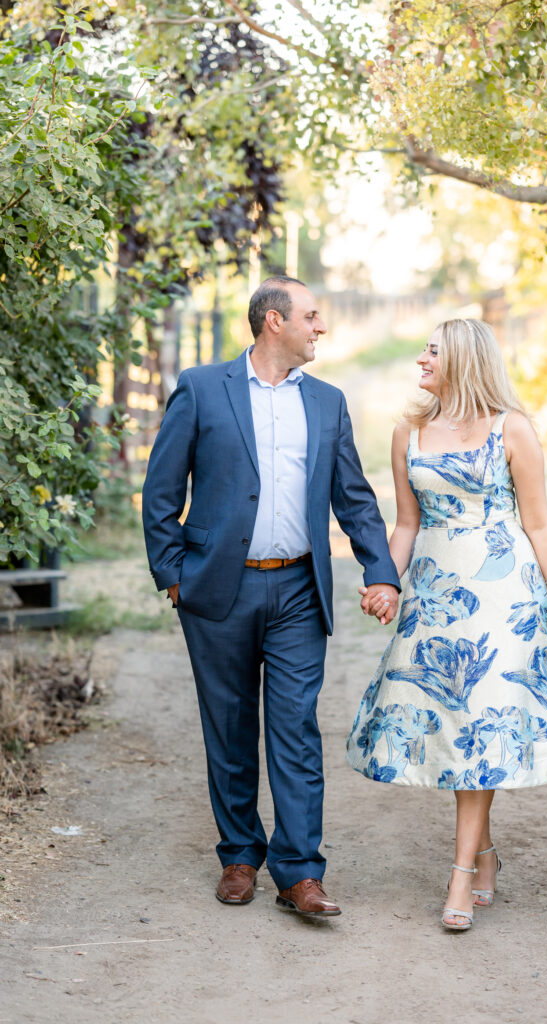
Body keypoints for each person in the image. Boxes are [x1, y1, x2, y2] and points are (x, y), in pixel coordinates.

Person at [142, 275, 400, 918]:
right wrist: (172, 572)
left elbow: (354, 496)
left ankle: (299, 871)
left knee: (295, 727)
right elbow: (161, 491)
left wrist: (381, 570)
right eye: (312, 316)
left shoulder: (329, 402)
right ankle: (238, 855)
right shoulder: (203, 389)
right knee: (228, 727)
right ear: (273, 322)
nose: (321, 327)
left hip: (299, 588)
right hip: (216, 588)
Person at [347, 318, 547, 931]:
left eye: (432, 351)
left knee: (481, 727)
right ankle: (484, 852)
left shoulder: (512, 429)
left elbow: (539, 523)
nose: (420, 360)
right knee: (454, 723)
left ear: (462, 358)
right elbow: (405, 523)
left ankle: (460, 873)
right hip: (435, 598)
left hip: (505, 597)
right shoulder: (407, 432)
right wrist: (386, 579)